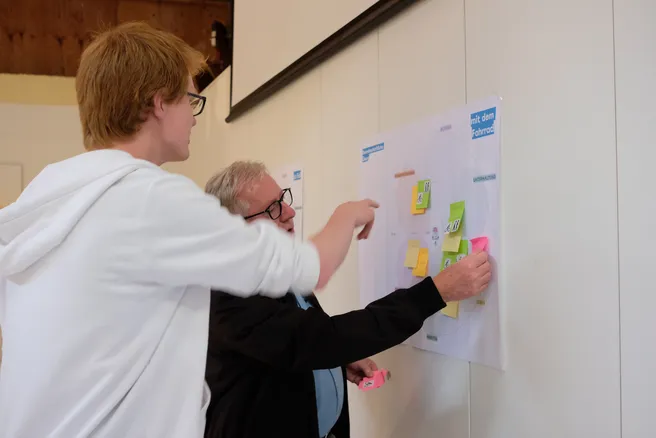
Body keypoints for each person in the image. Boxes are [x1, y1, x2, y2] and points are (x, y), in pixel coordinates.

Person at [0, 23, 377, 438]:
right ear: (159, 103)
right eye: (191, 100)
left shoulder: (44, 199)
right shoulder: (147, 198)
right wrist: (347, 215)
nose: (195, 119)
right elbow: (310, 268)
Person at [203, 162, 491, 438]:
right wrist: (436, 293)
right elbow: (315, 339)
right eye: (273, 208)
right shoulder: (228, 292)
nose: (289, 212)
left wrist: (334, 362)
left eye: (283, 199)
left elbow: (298, 341)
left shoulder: (279, 271)